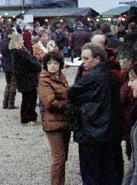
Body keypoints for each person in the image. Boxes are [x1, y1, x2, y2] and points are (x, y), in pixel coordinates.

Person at [68, 43, 123, 185]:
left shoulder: (92, 76)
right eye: (82, 58)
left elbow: (72, 93)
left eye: (86, 59)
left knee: (92, 175)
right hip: (109, 132)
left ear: (97, 59)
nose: (83, 62)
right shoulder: (110, 75)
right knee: (110, 173)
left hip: (91, 133)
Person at [37, 51, 70, 185]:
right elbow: (49, 102)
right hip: (53, 122)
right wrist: (68, 105)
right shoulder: (44, 80)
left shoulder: (61, 77)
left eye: (55, 63)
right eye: (49, 63)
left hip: (64, 121)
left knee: (63, 158)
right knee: (58, 158)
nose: (52, 66)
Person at [10, 32, 41, 124]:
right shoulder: (18, 52)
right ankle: (26, 118)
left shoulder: (20, 50)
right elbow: (29, 63)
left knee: (32, 98)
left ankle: (32, 116)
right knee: (27, 99)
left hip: (27, 77)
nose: (23, 41)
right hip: (25, 78)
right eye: (21, 39)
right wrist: (38, 66)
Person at [1, 29, 17, 109]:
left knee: (8, 84)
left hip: (5, 65)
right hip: (12, 65)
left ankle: (5, 103)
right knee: (13, 84)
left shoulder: (2, 42)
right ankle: (11, 103)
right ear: (9, 34)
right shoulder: (10, 43)